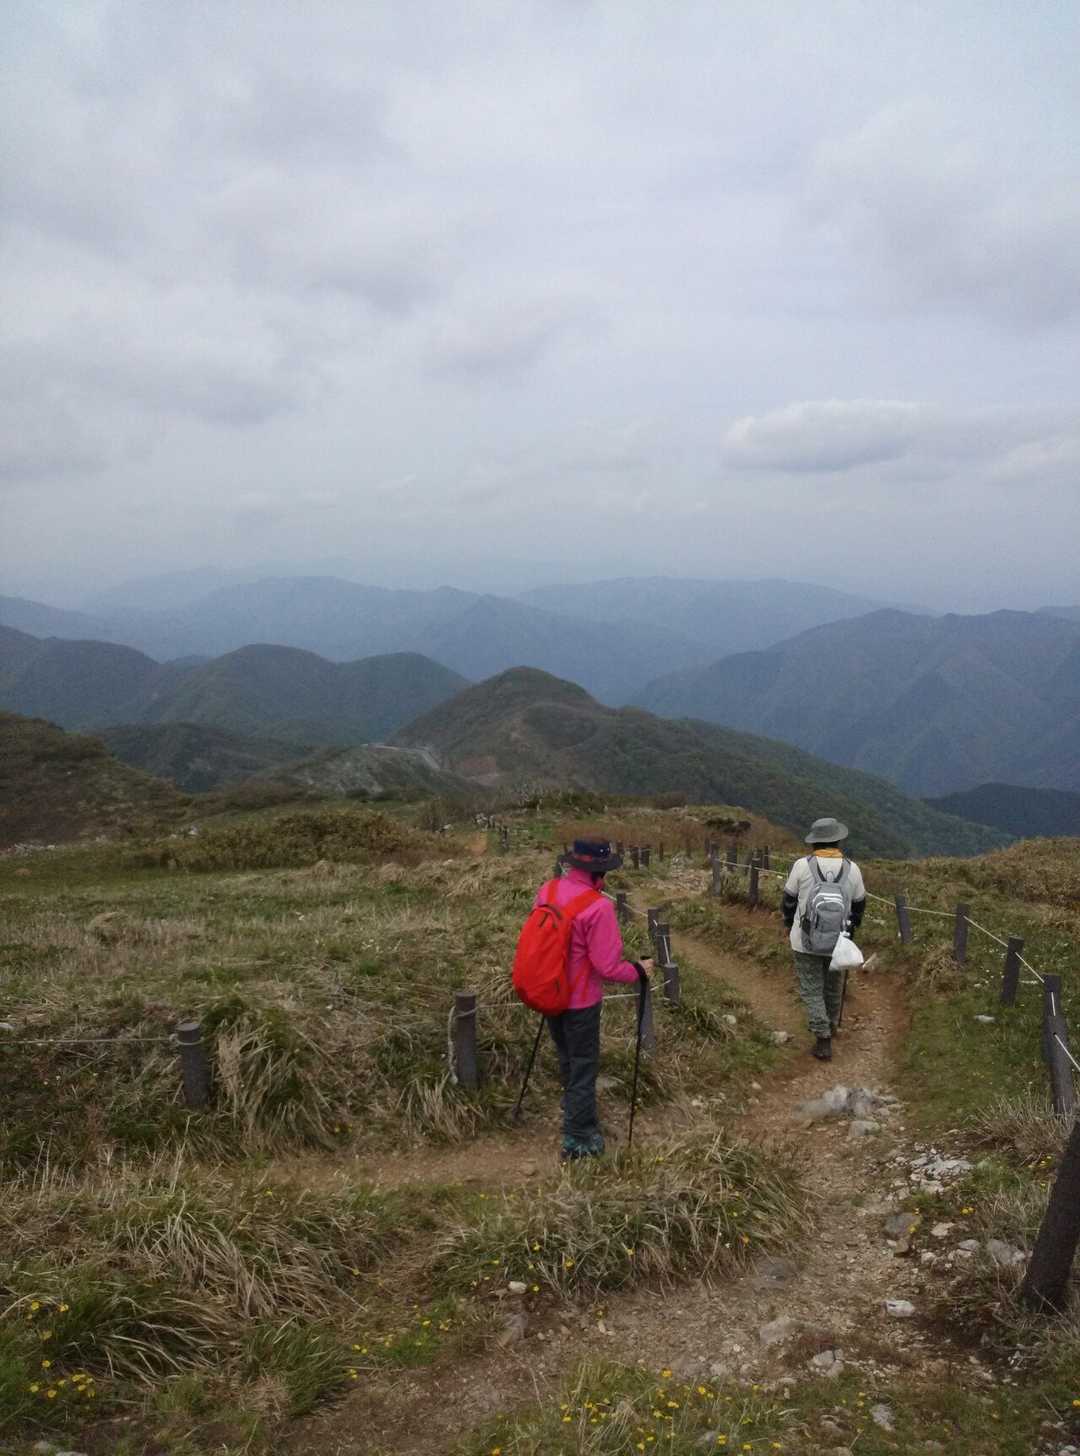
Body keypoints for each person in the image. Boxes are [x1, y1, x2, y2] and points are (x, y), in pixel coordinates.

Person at [537, 839, 653, 1160]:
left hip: (548, 990)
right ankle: (579, 1139)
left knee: (567, 1056)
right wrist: (639, 971)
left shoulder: (548, 891)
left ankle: (573, 1105)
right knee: (584, 1067)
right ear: (600, 871)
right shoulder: (598, 907)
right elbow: (607, 967)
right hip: (580, 1001)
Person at [781, 817, 866, 1061]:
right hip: (837, 941)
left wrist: (789, 925)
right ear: (838, 840)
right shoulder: (852, 869)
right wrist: (850, 931)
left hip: (804, 940)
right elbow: (859, 905)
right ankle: (831, 1025)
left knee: (811, 989)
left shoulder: (802, 866)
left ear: (814, 842)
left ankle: (823, 1038)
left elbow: (788, 901)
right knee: (832, 986)